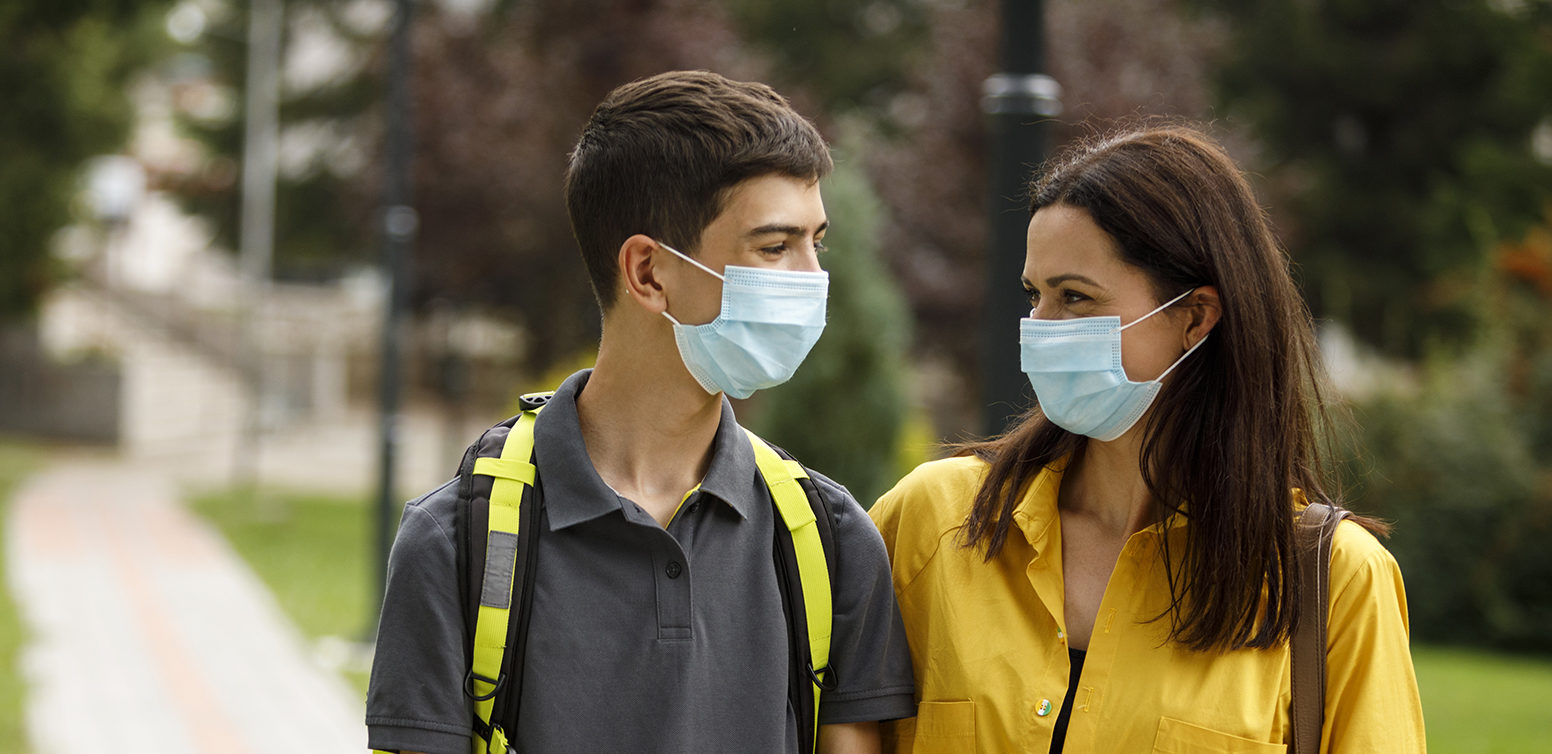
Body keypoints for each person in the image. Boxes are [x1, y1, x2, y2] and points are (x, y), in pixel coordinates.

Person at [365, 70, 917, 754]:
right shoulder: (456, 543)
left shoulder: (829, 540)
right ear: (649, 273)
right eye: (775, 247)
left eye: (816, 243)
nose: (812, 280)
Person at [868, 125, 1425, 753]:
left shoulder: (1335, 580)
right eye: (1035, 294)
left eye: (1075, 297)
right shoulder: (932, 520)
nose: (1039, 329)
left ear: (1194, 318)